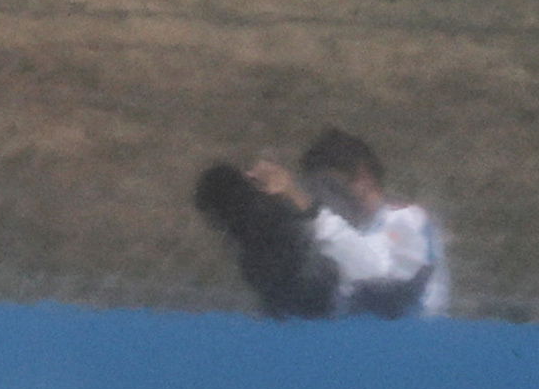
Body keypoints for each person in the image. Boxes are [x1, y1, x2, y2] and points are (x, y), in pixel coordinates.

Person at [190, 129, 449, 320]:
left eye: (330, 189)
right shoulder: (342, 230)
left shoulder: (407, 220)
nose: (326, 200)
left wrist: (303, 203)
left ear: (363, 178)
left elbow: (378, 273)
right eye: (315, 191)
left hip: (407, 346)